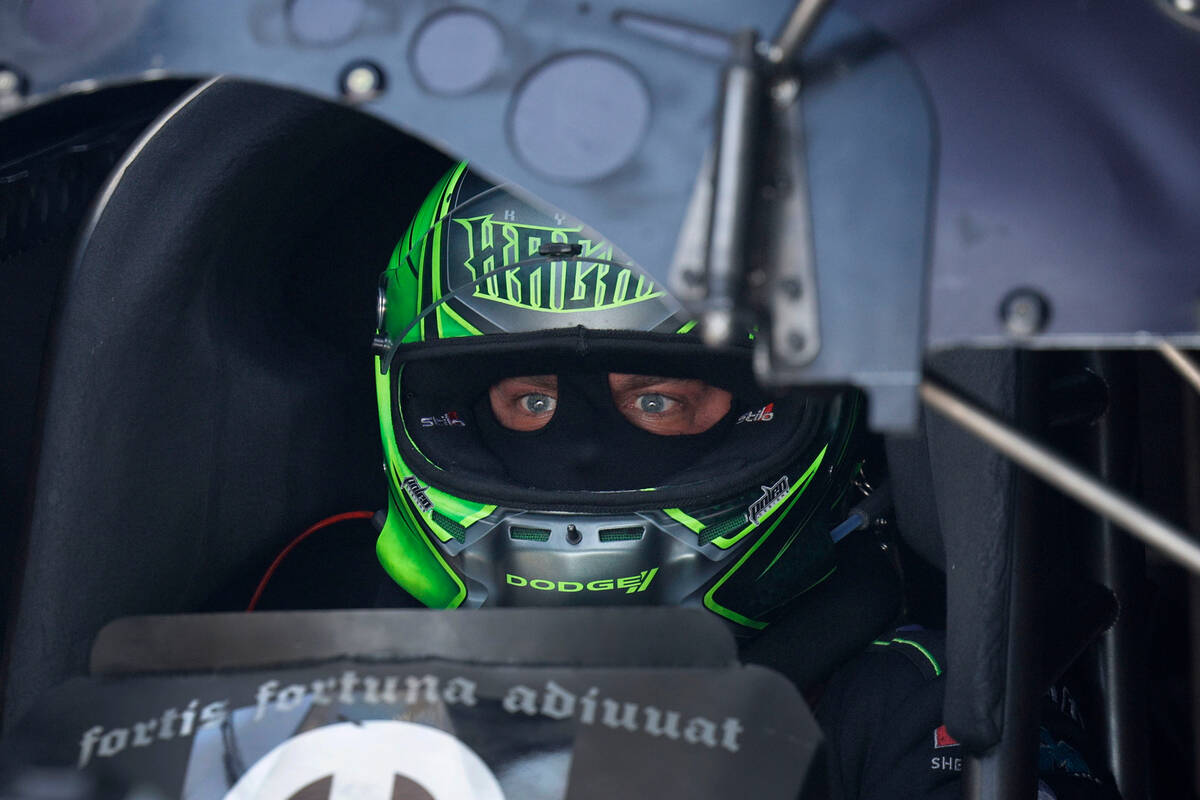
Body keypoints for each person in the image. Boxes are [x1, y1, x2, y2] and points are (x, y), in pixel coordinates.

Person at [257, 163, 1122, 799]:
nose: (586, 454)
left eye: (661, 400)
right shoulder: (321, 694)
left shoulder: (911, 706)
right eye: (529, 400)